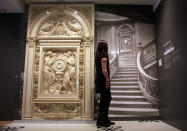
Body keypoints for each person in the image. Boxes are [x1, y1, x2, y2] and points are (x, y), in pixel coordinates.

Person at [95, 40, 115, 127]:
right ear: (104, 46)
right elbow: (104, 69)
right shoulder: (103, 54)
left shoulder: (98, 54)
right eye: (106, 44)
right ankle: (101, 122)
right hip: (103, 80)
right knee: (105, 100)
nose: (107, 45)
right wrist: (107, 80)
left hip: (99, 79)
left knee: (105, 100)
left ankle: (105, 120)